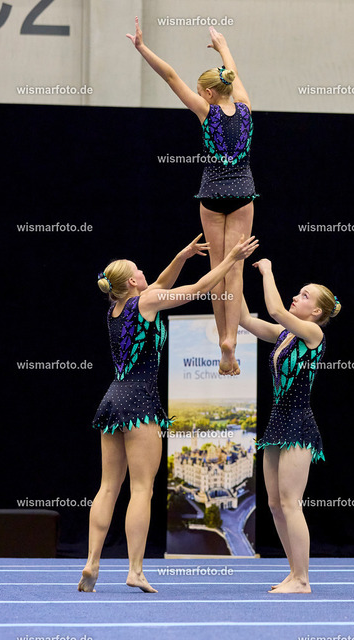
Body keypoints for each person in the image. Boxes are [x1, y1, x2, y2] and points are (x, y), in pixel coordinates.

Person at [77, 233, 259, 594]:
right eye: (139, 270)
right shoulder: (146, 301)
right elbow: (197, 289)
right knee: (141, 489)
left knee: (108, 487)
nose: (145, 272)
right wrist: (231, 260)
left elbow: (161, 283)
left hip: (113, 399)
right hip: (140, 402)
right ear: (133, 281)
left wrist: (183, 255)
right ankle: (135, 570)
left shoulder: (116, 308)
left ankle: (92, 562)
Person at [126, 18, 257, 376]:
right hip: (243, 193)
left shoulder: (206, 113)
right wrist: (223, 47)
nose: (199, 96)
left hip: (212, 194)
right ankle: (232, 339)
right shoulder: (245, 107)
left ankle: (222, 338)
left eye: (201, 92)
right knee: (236, 268)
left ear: (209, 95)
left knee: (217, 269)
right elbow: (232, 74)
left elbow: (170, 77)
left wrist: (142, 48)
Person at [239, 258, 341, 593]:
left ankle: (302, 579)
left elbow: (276, 310)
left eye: (304, 295)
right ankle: (293, 571)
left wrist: (268, 271)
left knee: (290, 502)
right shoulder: (284, 335)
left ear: (317, 311)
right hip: (277, 423)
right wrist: (232, 272)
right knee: (274, 504)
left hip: (298, 423)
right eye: (299, 292)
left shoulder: (314, 333)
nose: (297, 297)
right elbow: (243, 319)